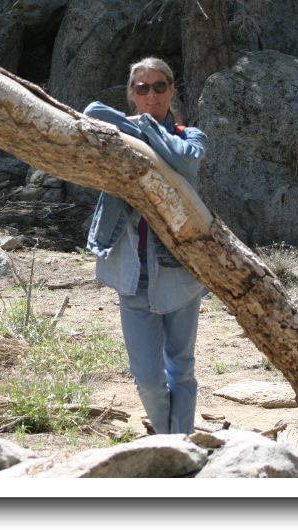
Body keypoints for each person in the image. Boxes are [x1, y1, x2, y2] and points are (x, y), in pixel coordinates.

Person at [83, 57, 208, 435]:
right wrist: (139, 128)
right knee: (149, 379)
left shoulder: (190, 135)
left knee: (181, 367)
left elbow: (184, 162)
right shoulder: (120, 134)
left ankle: (178, 452)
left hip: (179, 272)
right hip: (131, 272)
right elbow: (91, 111)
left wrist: (148, 129)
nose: (150, 94)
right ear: (132, 94)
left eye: (158, 86)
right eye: (141, 88)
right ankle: (174, 443)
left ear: (171, 90)